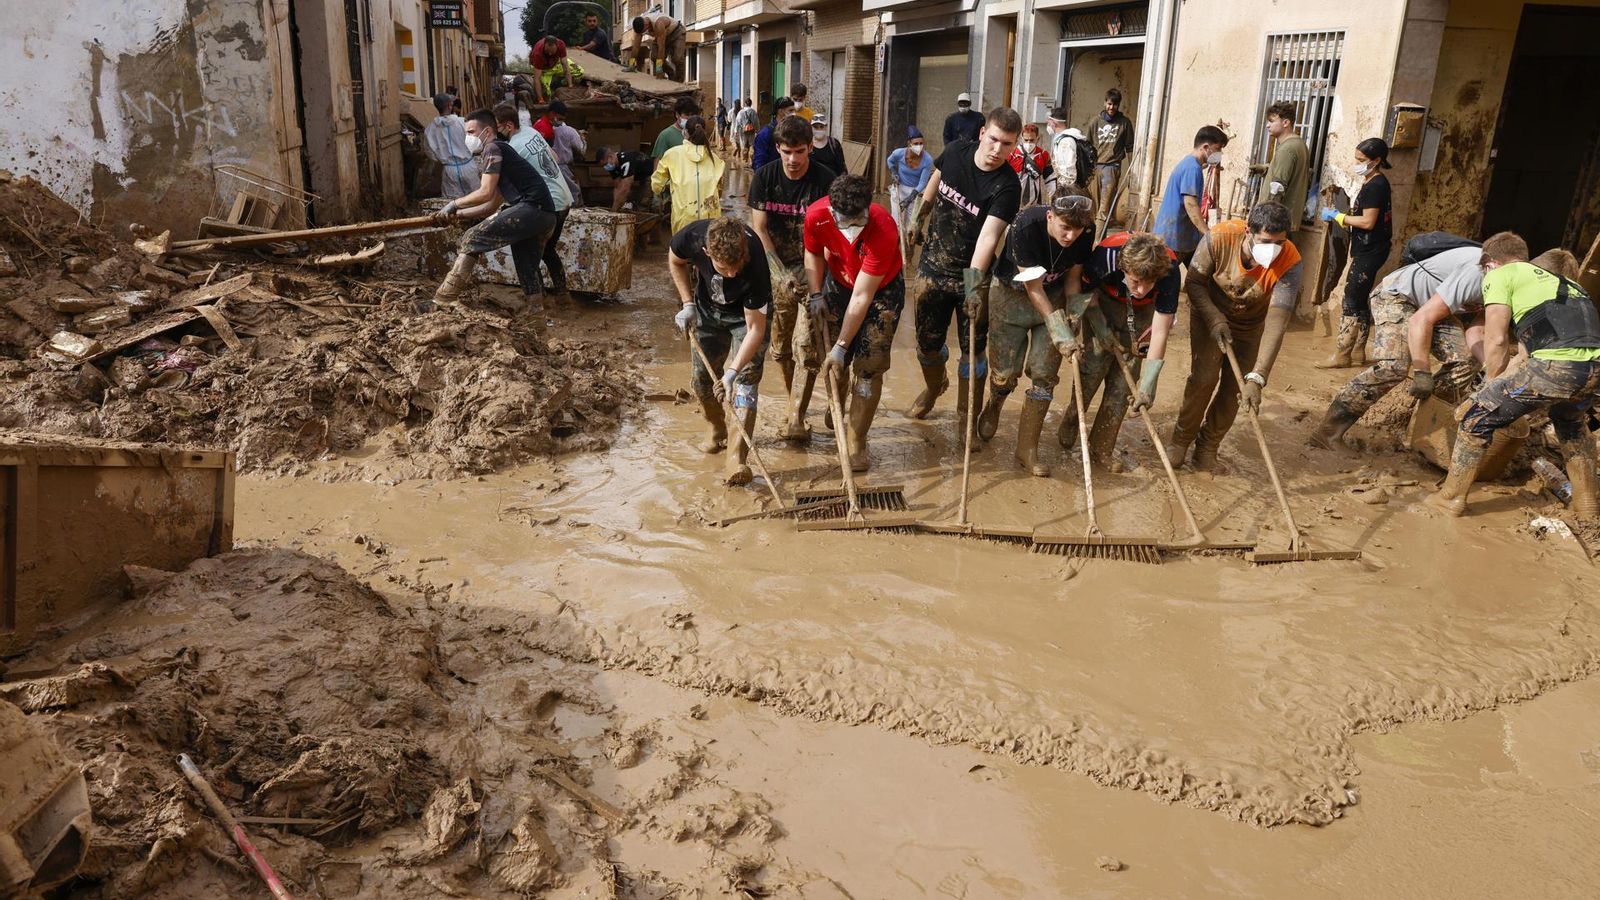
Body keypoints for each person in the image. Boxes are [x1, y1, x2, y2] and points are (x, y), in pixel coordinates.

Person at [1309, 232, 1530, 450]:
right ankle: (1328, 432)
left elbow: (1476, 333)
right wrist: (1422, 372)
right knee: (1392, 367)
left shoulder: (1508, 282)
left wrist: (1494, 374)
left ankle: (1420, 426)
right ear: (1492, 264)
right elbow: (1420, 320)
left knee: (1466, 362)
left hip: (1432, 308)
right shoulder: (1476, 272)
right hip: (1398, 295)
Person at [1426, 255, 1600, 518]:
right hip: (1594, 372)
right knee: (1570, 424)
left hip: (1558, 366)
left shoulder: (1501, 273)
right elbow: (1525, 356)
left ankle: (1449, 499)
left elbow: (1496, 340)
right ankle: (1586, 507)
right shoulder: (1574, 289)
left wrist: (1487, 394)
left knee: (1475, 417)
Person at [909, 107, 1023, 428]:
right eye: (994, 140)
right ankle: (934, 387)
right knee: (927, 346)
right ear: (982, 133)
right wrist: (919, 215)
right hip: (932, 267)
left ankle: (965, 418)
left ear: (1014, 147)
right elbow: (936, 176)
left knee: (972, 353)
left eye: (1007, 145)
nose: (998, 150)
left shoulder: (1007, 186)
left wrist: (973, 286)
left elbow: (988, 238)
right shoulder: (957, 150)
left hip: (973, 278)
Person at [1169, 201, 1303, 470]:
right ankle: (1181, 440)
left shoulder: (1290, 259)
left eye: (1280, 242)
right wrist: (1214, 318)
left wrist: (1259, 376)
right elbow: (1193, 283)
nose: (1273, 249)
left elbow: (1278, 319)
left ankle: (1207, 448)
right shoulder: (1219, 237)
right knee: (1204, 378)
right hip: (1210, 314)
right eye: (1266, 241)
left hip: (1250, 325)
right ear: (1248, 233)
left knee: (1236, 390)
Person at [977, 189, 1095, 476]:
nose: (1070, 237)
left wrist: (1075, 313)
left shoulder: (1085, 230)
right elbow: (1033, 287)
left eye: (1077, 230)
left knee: (1044, 375)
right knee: (1005, 373)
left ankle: (1027, 448)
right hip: (1011, 295)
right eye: (1065, 228)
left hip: (1053, 298)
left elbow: (1073, 277)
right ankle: (995, 403)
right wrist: (1059, 330)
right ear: (1050, 216)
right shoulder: (1025, 225)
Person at [803, 174, 906, 471]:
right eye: (844, 221)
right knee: (834, 362)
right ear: (832, 210)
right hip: (837, 281)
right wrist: (816, 292)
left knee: (869, 366)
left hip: (881, 291)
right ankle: (838, 403)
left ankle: (857, 438)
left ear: (868, 209)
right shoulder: (816, 216)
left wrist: (841, 345)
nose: (851, 228)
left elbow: (862, 297)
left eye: (858, 220)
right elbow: (812, 251)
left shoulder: (884, 227)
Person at [1058, 230, 1183, 471]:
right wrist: (1099, 326)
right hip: (1102, 302)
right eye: (1136, 281)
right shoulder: (1105, 257)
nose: (1141, 289)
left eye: (1149, 283)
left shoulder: (1170, 270)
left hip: (1143, 314)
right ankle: (1074, 415)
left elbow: (1160, 330)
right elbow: (1084, 293)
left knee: (1124, 383)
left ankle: (1102, 447)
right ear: (1124, 268)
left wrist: (1148, 386)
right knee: (1092, 368)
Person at [748, 115, 836, 440]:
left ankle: (797, 416)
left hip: (815, 269)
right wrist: (780, 273)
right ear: (777, 149)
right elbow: (759, 229)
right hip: (777, 270)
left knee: (807, 347)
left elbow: (835, 236)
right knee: (781, 349)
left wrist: (821, 285)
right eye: (787, 152)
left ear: (810, 148)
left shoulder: (825, 180)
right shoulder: (764, 178)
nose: (793, 159)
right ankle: (792, 400)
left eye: (800, 151)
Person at [669, 215, 773, 485]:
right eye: (724, 268)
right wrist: (687, 303)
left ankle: (736, 459)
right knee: (702, 380)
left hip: (745, 317)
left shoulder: (756, 263)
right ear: (706, 253)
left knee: (745, 383)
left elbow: (755, 330)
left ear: (744, 252)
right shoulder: (691, 237)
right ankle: (716, 426)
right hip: (707, 311)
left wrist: (732, 372)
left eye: (737, 266)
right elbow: (675, 260)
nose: (732, 274)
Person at [428, 109, 558, 312]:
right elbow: (492, 205)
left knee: (472, 237)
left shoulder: (493, 149)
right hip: (545, 215)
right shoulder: (503, 151)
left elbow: (485, 192)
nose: (467, 138)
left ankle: (444, 298)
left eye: (471, 132)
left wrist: (454, 204)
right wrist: (457, 216)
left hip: (532, 209)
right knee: (526, 267)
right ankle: (537, 319)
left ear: (487, 131)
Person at [1316, 137, 1394, 369]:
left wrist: (1339, 217)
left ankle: (1342, 354)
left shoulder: (1375, 185)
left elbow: (1368, 222)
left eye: (1362, 160)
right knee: (1360, 299)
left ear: (1377, 160)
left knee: (1351, 298)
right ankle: (1358, 352)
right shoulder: (1374, 182)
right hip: (1373, 248)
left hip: (1371, 249)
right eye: (1356, 159)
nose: (1357, 163)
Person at [495, 103, 574, 299]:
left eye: (497, 127)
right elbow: (554, 156)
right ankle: (563, 295)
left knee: (529, 254)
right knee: (547, 250)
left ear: (508, 125)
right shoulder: (531, 131)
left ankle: (539, 301)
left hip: (548, 203)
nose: (497, 132)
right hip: (564, 197)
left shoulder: (512, 149)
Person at [1154, 126, 1229, 267]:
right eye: (1218, 149)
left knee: (1201, 276)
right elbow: (1190, 204)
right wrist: (1207, 233)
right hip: (1174, 238)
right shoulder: (1192, 168)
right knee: (1162, 279)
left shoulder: (1191, 164)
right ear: (1206, 147)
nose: (1220, 153)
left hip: (1184, 237)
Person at [651, 115, 725, 234]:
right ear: (704, 132)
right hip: (711, 223)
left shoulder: (672, 154)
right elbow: (719, 191)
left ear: (685, 133)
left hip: (683, 221)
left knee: (682, 251)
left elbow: (656, 185)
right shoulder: (715, 159)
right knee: (709, 250)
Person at [1255, 101, 1310, 231]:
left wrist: (1264, 220)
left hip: (1276, 223)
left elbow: (1277, 189)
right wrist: (1268, 169)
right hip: (1288, 221)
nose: (1268, 125)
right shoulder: (1299, 144)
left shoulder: (1287, 149)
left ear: (1285, 123)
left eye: (1272, 121)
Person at [1086, 89, 1135, 231]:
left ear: (1118, 105)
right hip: (1095, 168)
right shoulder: (1095, 122)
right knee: (1094, 208)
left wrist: (1132, 169)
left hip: (1112, 167)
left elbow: (1130, 147)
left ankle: (1097, 242)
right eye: (1109, 104)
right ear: (1104, 102)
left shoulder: (1124, 123)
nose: (1111, 107)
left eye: (1114, 104)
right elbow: (1087, 147)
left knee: (1104, 207)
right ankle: (1093, 238)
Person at [424, 93, 477, 199]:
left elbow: (430, 152)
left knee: (452, 204)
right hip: (468, 167)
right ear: (450, 105)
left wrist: (444, 159)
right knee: (476, 199)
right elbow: (476, 144)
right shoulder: (464, 123)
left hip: (449, 171)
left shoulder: (430, 129)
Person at [885, 126, 934, 238]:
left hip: (916, 191)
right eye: (916, 143)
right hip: (899, 188)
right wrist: (893, 172)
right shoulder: (899, 153)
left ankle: (908, 248)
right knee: (897, 221)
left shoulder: (927, 160)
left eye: (921, 143)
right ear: (909, 144)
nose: (919, 146)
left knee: (911, 224)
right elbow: (890, 160)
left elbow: (923, 182)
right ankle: (895, 242)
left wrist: (911, 197)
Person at [545, 101, 587, 206]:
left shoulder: (542, 127)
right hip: (564, 167)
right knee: (573, 192)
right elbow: (581, 149)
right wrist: (583, 139)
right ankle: (573, 213)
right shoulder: (569, 131)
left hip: (548, 167)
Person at [1045, 107, 1092, 196]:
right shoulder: (1061, 139)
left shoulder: (1065, 142)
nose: (1048, 125)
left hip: (1068, 190)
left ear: (1054, 122)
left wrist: (1064, 194)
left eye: (1049, 122)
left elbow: (1068, 172)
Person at [630, 14, 687, 79]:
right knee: (654, 56)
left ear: (646, 25)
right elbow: (636, 47)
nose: (643, 33)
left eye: (643, 31)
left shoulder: (659, 24)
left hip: (677, 33)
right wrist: (631, 65)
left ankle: (679, 80)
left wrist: (659, 69)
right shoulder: (639, 27)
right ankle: (671, 73)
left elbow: (661, 48)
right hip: (661, 35)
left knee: (677, 58)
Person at [1008, 123, 1050, 208]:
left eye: (1031, 140)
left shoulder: (1043, 155)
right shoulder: (1011, 154)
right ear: (1021, 138)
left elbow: (1050, 179)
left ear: (1037, 139)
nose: (1028, 143)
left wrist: (1053, 199)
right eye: (1026, 140)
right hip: (1012, 201)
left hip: (1034, 202)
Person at [598, 145, 653, 211]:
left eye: (605, 164)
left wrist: (614, 210)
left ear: (611, 157)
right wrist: (616, 204)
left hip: (650, 174)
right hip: (639, 177)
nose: (606, 167)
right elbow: (617, 187)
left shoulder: (626, 160)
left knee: (645, 201)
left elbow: (625, 188)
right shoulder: (613, 167)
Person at [750, 96, 795, 171]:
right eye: (790, 111)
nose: (793, 114)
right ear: (780, 111)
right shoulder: (765, 133)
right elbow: (759, 162)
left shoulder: (793, 131)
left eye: (794, 111)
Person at [530, 37, 573, 103]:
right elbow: (537, 79)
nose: (550, 54)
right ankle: (543, 96)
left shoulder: (561, 44)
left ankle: (564, 83)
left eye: (552, 52)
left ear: (557, 46)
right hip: (543, 69)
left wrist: (570, 86)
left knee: (579, 71)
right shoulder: (538, 54)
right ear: (545, 45)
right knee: (547, 92)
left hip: (555, 64)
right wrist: (540, 99)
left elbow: (565, 65)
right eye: (548, 52)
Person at [733, 99, 757, 164]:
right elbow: (756, 122)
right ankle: (751, 160)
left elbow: (737, 122)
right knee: (751, 144)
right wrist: (757, 130)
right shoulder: (754, 112)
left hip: (743, 131)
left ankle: (745, 160)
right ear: (751, 104)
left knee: (744, 145)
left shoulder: (741, 112)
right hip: (752, 131)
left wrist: (736, 131)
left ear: (745, 104)